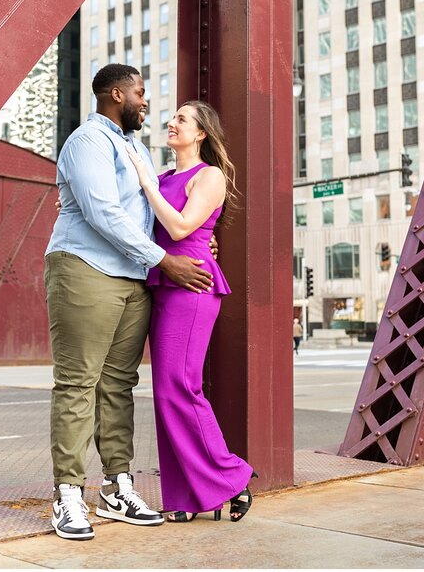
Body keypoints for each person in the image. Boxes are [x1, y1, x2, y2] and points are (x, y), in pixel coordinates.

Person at [44, 64, 215, 541]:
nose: (146, 103)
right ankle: (68, 493)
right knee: (78, 383)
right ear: (116, 94)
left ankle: (117, 486)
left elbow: (158, 213)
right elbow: (103, 211)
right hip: (87, 269)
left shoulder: (136, 149)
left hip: (134, 277)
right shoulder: (87, 143)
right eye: (140, 93)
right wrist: (165, 260)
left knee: (118, 386)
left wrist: (195, 247)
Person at [125, 100, 257, 524]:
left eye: (182, 119)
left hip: (193, 287)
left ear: (201, 133)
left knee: (181, 386)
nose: (171, 121)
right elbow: (141, 225)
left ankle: (232, 478)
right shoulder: (166, 177)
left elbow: (181, 228)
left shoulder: (210, 176)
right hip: (163, 284)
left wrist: (146, 184)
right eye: (173, 116)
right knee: (165, 395)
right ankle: (184, 496)